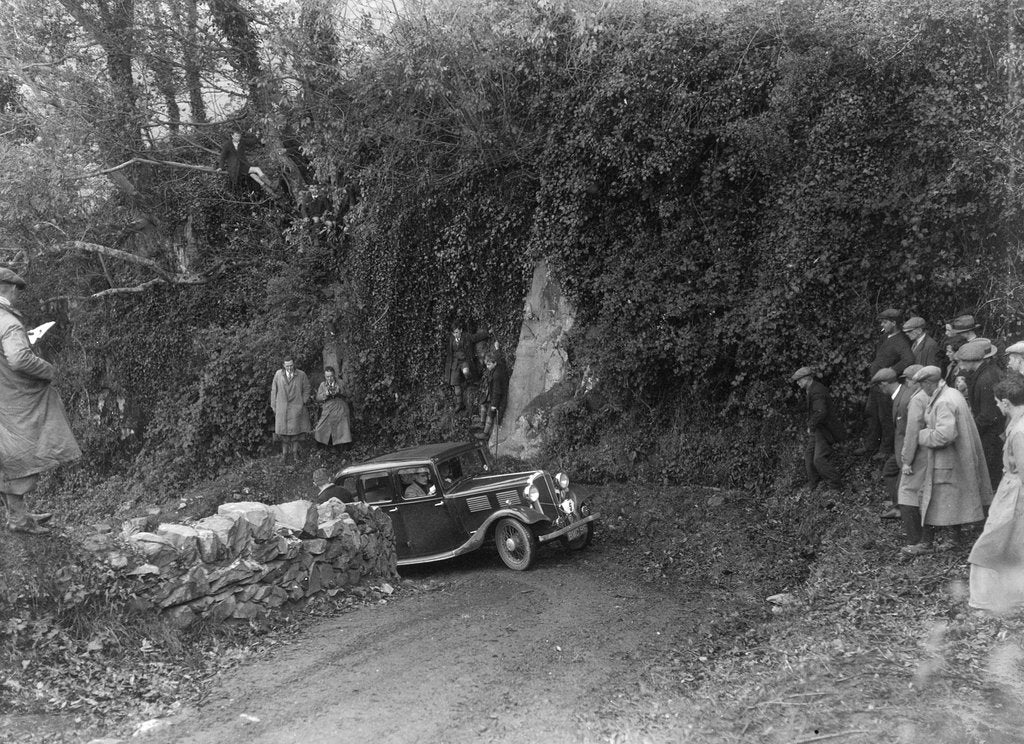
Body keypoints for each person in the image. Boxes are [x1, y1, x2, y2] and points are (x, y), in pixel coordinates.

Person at [0, 268, 81, 535]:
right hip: (15, 400)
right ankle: (18, 520)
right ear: (8, 289)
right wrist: (47, 369)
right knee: (20, 454)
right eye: (16, 291)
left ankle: (17, 514)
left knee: (6, 455)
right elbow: (19, 358)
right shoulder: (8, 322)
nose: (18, 296)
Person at [900, 365, 993, 556]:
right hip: (958, 457)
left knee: (932, 499)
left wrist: (922, 435)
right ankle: (952, 540)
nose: (920, 389)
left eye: (921, 385)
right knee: (951, 500)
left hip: (947, 459)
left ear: (928, 383)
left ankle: (929, 543)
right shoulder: (952, 393)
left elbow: (944, 435)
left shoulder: (943, 402)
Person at [968, 375, 1024, 612]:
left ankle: (983, 601)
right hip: (1012, 490)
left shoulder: (1020, 430)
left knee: (987, 545)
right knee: (1013, 545)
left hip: (1015, 494)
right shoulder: (1017, 423)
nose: (998, 407)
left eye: (998, 403)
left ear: (1007, 402)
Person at [858, 308, 914, 460]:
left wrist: (892, 371)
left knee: (885, 417)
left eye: (884, 322)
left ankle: (885, 450)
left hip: (885, 385)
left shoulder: (902, 341)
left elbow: (908, 360)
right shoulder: (885, 337)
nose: (882, 325)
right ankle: (870, 445)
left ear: (893, 323)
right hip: (876, 383)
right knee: (871, 413)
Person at [874, 365, 921, 521]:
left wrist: (906, 453)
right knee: (889, 470)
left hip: (908, 449)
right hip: (901, 448)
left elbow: (911, 428)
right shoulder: (900, 395)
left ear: (884, 384)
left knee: (903, 481)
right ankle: (898, 506)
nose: (880, 390)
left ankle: (903, 509)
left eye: (879, 386)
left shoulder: (905, 398)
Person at [957, 338, 1004, 490]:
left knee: (990, 479)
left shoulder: (985, 379)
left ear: (972, 361)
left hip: (990, 438)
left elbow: (988, 416)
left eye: (963, 361)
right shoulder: (984, 372)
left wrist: (969, 430)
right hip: (991, 435)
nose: (961, 365)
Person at [791, 366, 845, 492]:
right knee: (808, 456)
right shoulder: (811, 389)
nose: (798, 383)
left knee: (819, 459)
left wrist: (811, 425)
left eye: (799, 380)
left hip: (825, 430)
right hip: (818, 429)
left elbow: (821, 412)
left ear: (807, 379)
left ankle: (836, 486)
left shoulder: (817, 391)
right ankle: (813, 483)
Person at [270, 357, 311, 465]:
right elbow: (274, 390)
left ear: (294, 364)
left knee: (295, 433)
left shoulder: (301, 375)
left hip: (296, 408)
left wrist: (303, 401)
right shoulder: (278, 374)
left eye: (291, 365)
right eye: (287, 365)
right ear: (283, 365)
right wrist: (274, 405)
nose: (289, 367)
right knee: (283, 433)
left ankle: (295, 454)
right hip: (282, 408)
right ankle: (284, 455)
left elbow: (307, 388)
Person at [444, 323, 489, 412]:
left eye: (457, 332)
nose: (456, 334)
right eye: (454, 333)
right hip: (455, 363)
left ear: (461, 330)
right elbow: (450, 353)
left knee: (466, 372)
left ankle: (471, 382)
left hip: (464, 361)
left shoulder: (466, 336)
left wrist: (487, 333)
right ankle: (459, 404)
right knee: (455, 384)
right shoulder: (451, 339)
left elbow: (475, 337)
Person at [313, 366, 352, 452]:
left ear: (334, 375)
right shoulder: (323, 385)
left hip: (340, 405)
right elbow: (318, 398)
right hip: (328, 407)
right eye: (327, 376)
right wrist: (325, 394)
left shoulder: (340, 383)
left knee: (342, 422)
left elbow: (349, 394)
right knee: (321, 427)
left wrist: (340, 391)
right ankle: (325, 447)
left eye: (331, 376)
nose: (329, 378)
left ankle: (342, 447)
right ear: (324, 376)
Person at [476, 352, 510, 439]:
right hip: (492, 392)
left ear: (494, 363)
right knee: (483, 404)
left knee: (490, 414)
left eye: (489, 364)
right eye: (486, 364)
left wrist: (494, 405)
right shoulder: (497, 365)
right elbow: (499, 357)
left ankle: (485, 433)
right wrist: (497, 349)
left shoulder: (496, 375)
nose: (487, 367)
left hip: (499, 397)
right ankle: (481, 423)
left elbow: (497, 392)